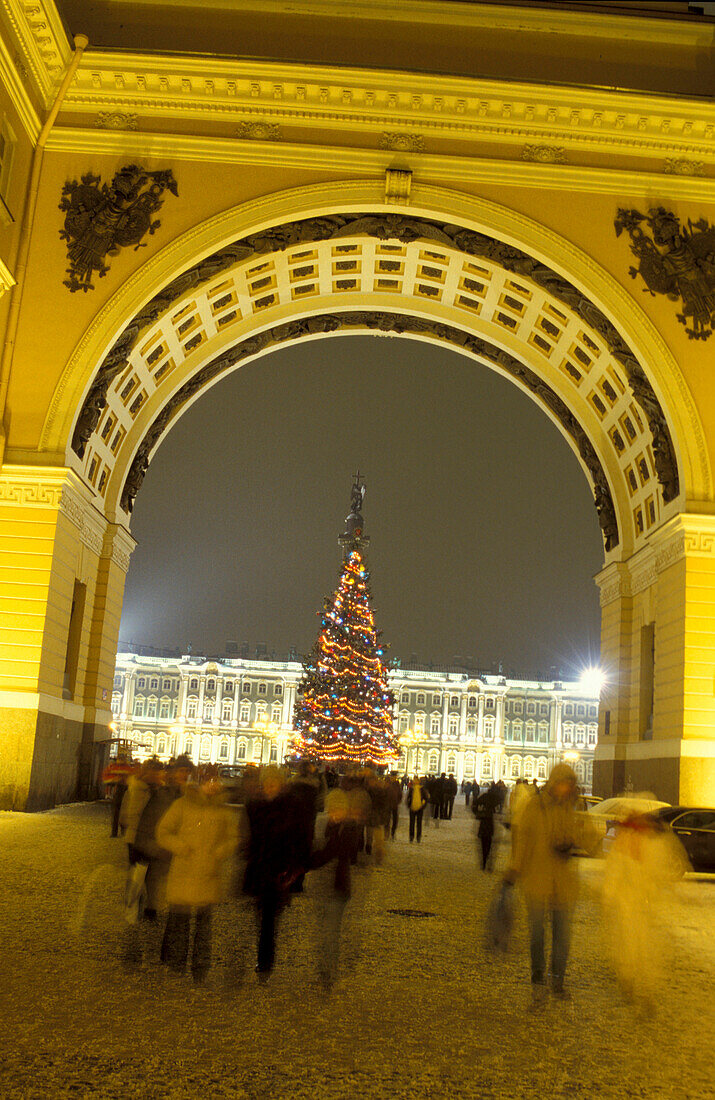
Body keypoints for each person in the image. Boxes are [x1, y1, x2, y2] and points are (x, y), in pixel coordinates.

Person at [504, 763, 600, 1006]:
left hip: (564, 881)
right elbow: (523, 838)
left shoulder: (576, 807)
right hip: (536, 877)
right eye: (562, 782)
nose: (566, 788)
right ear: (554, 781)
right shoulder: (535, 806)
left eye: (569, 783)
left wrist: (595, 840)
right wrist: (515, 867)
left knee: (562, 937)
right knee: (537, 935)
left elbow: (589, 837)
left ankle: (557, 980)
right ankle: (538, 981)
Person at [156, 764, 238, 983]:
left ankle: (200, 967)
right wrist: (179, 847)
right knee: (179, 921)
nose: (212, 786)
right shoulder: (182, 805)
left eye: (215, 781)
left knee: (204, 924)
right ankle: (176, 964)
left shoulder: (222, 809)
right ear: (200, 783)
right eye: (208, 781)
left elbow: (233, 837)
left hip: (208, 873)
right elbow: (163, 832)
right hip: (184, 871)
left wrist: (220, 851)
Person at [242, 767, 301, 977]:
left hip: (277, 870)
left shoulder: (289, 807)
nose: (269, 787)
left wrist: (291, 868)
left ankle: (264, 961)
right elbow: (250, 836)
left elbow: (294, 841)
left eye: (273, 783)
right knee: (262, 915)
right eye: (266, 783)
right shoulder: (255, 806)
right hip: (259, 867)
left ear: (280, 785)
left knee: (268, 918)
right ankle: (263, 957)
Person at [308, 788, 354, 988]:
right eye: (332, 809)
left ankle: (328, 973)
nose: (335, 814)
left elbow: (337, 851)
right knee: (321, 931)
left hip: (338, 886)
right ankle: (322, 969)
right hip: (320, 885)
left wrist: (310, 862)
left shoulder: (350, 827)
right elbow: (312, 845)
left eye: (339, 810)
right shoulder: (321, 824)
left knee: (330, 932)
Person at [472, 782, 501, 871]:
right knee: (489, 844)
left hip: (483, 822)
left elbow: (474, 804)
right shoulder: (495, 799)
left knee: (483, 844)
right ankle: (488, 861)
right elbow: (499, 809)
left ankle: (484, 861)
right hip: (489, 823)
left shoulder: (484, 796)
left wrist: (477, 813)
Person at [406, 775, 429, 843]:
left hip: (419, 808)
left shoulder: (422, 789)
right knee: (412, 823)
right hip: (412, 808)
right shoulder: (412, 789)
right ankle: (411, 837)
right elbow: (408, 798)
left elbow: (426, 798)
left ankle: (418, 837)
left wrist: (423, 806)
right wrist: (409, 805)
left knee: (418, 823)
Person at [385, 772, 402, 840]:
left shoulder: (397, 784)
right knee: (387, 820)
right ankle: (386, 833)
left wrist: (398, 801)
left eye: (395, 777)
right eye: (393, 776)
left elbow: (400, 794)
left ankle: (393, 832)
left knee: (395, 820)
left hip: (395, 804)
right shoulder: (387, 784)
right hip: (388, 804)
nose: (394, 778)